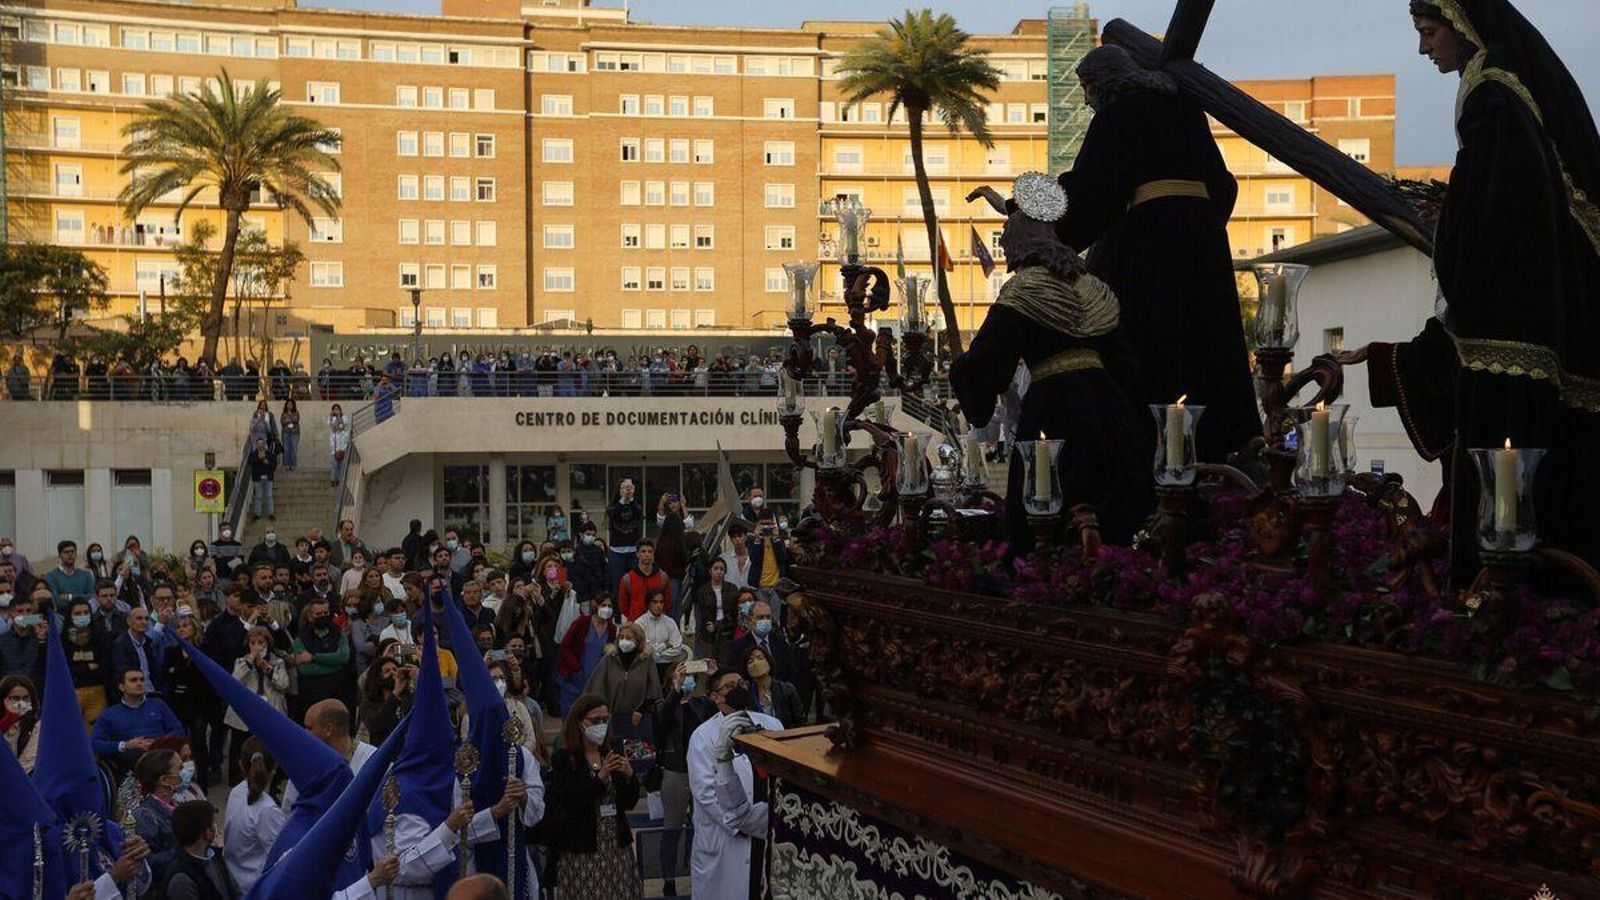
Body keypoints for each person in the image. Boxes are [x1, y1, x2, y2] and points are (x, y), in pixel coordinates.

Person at [1331, 0, 1600, 584]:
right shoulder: (1509, 90)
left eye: (1429, 33)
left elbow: (1490, 223)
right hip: (1520, 331)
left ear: (1466, 27)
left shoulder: (1494, 97)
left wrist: (1456, 273)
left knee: (1505, 526)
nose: (1423, 49)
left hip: (1506, 341)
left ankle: (1492, 619)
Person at [1053, 44, 1259, 465]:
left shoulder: (1116, 116)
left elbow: (1091, 193)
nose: (1085, 100)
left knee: (1149, 346)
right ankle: (1222, 444)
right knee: (1208, 342)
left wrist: (1028, 206)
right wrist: (1197, 229)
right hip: (1204, 249)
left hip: (1149, 248)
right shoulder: (1185, 108)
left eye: (1085, 89)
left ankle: (1148, 451)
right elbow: (1224, 186)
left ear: (1097, 83)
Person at [953, 173, 1155, 549]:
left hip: (1051, 410)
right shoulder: (1093, 288)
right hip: (1110, 414)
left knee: (1044, 508)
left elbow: (986, 363)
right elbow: (1127, 363)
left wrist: (963, 377)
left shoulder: (1023, 290)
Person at [687, 671, 783, 899]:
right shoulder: (703, 736)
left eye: (741, 683)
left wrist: (770, 822)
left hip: (768, 831)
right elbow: (706, 793)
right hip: (729, 837)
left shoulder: (772, 725)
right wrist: (751, 823)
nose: (738, 689)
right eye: (730, 686)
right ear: (715, 697)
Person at [543, 694, 644, 899]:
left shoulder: (612, 750)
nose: (601, 725)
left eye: (605, 720)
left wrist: (630, 776)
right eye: (595, 720)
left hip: (616, 849)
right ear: (580, 722)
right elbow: (572, 804)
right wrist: (601, 776)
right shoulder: (565, 758)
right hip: (582, 850)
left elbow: (629, 802)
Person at [651, 661, 719, 897]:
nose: (686, 679)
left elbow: (719, 712)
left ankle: (696, 872)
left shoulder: (703, 704)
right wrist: (676, 691)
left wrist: (711, 678)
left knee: (701, 824)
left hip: (702, 771)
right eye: (681, 676)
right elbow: (661, 721)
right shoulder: (663, 704)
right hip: (675, 770)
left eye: (689, 675)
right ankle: (668, 877)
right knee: (673, 826)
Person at [283, 698, 380, 811]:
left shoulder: (374, 762)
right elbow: (288, 814)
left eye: (309, 728)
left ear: (328, 729)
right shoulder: (303, 765)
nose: (304, 733)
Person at [223, 626, 288, 781]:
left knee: (269, 749)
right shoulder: (241, 661)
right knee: (241, 746)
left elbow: (284, 684)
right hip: (246, 713)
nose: (257, 646)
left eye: (261, 642)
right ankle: (238, 779)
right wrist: (249, 662)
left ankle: (270, 779)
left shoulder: (277, 662)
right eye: (253, 642)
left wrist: (268, 669)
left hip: (269, 710)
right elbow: (233, 681)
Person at [223, 737, 287, 893]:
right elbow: (281, 856)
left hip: (234, 878)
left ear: (241, 764)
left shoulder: (236, 792)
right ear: (274, 768)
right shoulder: (267, 810)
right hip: (254, 888)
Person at [93, 668, 185, 770]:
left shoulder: (158, 705)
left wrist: (159, 742)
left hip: (161, 757)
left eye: (142, 680)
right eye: (133, 680)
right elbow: (96, 744)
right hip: (129, 762)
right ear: (122, 687)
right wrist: (126, 745)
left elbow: (178, 729)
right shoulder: (109, 714)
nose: (139, 683)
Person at [583, 621, 661, 732]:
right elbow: (596, 686)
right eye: (622, 637)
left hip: (639, 718)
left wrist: (641, 710)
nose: (624, 641)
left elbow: (654, 690)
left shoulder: (647, 660)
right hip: (611, 717)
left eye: (629, 638)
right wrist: (603, 711)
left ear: (638, 641)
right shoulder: (610, 658)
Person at [156, 799, 240, 899]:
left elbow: (234, 890)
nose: (216, 828)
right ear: (207, 832)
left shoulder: (213, 855)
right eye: (214, 823)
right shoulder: (181, 880)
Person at [557, 598, 617, 714]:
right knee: (570, 717)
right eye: (603, 605)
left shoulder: (612, 629)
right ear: (596, 606)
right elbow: (565, 647)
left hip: (596, 683)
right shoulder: (582, 622)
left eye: (610, 606)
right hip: (574, 680)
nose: (607, 608)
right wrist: (576, 668)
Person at [721, 599, 794, 682]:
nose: (765, 621)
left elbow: (790, 672)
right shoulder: (736, 647)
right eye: (760, 617)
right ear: (749, 619)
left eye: (768, 617)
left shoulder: (781, 643)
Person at [131, 748, 184, 853]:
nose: (186, 771)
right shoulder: (145, 817)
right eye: (180, 768)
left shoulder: (177, 803)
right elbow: (150, 862)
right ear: (164, 780)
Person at [741, 646, 802, 728]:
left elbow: (799, 720)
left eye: (760, 658)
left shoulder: (787, 689)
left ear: (768, 661)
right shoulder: (746, 692)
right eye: (750, 661)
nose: (756, 663)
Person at [636, 587, 687, 681]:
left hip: (667, 667)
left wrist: (657, 655)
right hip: (645, 667)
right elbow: (642, 648)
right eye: (655, 602)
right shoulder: (640, 623)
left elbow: (677, 648)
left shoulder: (670, 622)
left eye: (661, 602)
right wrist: (665, 645)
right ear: (648, 603)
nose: (658, 605)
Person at [691, 558, 737, 663]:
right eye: (716, 568)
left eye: (722, 569)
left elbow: (733, 612)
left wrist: (718, 624)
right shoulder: (702, 591)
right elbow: (703, 613)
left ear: (725, 572)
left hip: (727, 630)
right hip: (709, 632)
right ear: (710, 571)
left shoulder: (732, 589)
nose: (719, 572)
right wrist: (710, 626)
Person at [605, 479, 644, 594]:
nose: (627, 489)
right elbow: (612, 514)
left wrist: (631, 498)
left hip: (633, 551)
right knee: (618, 586)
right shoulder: (613, 506)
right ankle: (618, 610)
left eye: (629, 487)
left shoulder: (635, 505)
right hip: (616, 552)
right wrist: (622, 500)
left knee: (635, 585)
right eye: (624, 487)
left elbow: (639, 514)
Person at [616, 540, 669, 623]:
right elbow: (623, 605)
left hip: (657, 622)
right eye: (643, 551)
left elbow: (667, 601)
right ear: (637, 554)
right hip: (635, 623)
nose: (647, 555)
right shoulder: (627, 579)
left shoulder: (663, 577)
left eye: (650, 551)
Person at [0, 591, 46, 681]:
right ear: (11, 614)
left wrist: (41, 639)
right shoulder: (1, 640)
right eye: (20, 611)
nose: (25, 615)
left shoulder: (41, 638)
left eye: (29, 611)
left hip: (36, 689)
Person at [43, 540, 96, 611]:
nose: (70, 554)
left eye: (72, 551)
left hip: (84, 614)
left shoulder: (86, 575)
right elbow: (57, 601)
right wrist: (83, 597)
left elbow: (92, 598)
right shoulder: (50, 577)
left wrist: (69, 597)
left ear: (76, 554)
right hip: (62, 616)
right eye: (66, 552)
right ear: (59, 555)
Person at [1, 674, 39, 773]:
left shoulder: (37, 725)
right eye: (16, 698)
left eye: (26, 698)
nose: (21, 703)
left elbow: (27, 765)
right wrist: (10, 718)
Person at [248, 436, 278, 521]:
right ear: (256, 445)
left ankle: (271, 513)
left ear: (264, 444)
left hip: (268, 477)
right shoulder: (253, 454)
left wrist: (267, 462)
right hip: (257, 478)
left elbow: (274, 465)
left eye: (262, 444)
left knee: (269, 495)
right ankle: (257, 513)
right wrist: (258, 458)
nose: (260, 445)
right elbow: (250, 462)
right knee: (258, 496)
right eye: (258, 444)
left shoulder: (270, 454)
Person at [719, 523, 753, 592]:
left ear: (746, 537)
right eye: (734, 537)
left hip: (751, 596)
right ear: (731, 539)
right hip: (730, 597)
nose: (737, 539)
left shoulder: (755, 557)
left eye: (740, 536)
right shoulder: (723, 558)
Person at [329, 404, 351, 487]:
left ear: (340, 410)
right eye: (334, 409)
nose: (336, 410)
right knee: (334, 464)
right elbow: (330, 424)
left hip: (342, 446)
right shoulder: (332, 418)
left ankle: (339, 480)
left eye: (337, 409)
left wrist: (339, 417)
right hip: (334, 446)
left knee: (341, 465)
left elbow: (344, 425)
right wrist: (332, 416)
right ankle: (332, 479)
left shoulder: (344, 418)